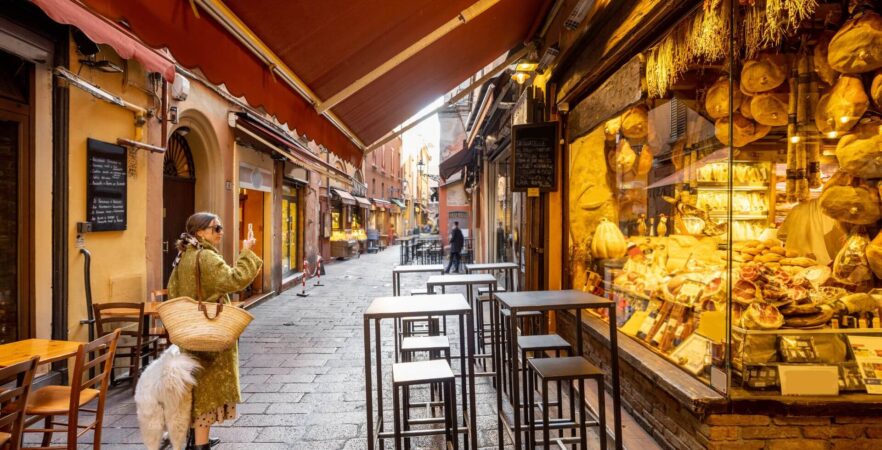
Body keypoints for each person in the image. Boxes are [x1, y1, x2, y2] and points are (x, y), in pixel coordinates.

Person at [167, 212, 262, 450]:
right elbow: (235, 279)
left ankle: (193, 439)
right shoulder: (206, 257)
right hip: (210, 332)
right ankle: (201, 445)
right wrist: (247, 252)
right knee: (209, 389)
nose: (220, 232)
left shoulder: (184, 256)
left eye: (220, 227)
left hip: (189, 331)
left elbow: (172, 289)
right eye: (215, 228)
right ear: (200, 232)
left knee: (194, 387)